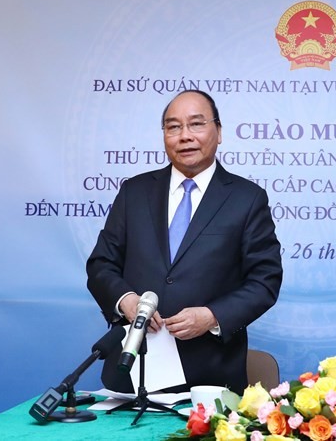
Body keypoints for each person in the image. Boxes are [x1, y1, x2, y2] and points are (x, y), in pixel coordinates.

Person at [86, 89, 283, 394]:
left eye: (196, 124)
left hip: (209, 375)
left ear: (218, 132)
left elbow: (264, 281)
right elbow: (101, 265)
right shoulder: (134, 192)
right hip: (132, 367)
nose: (184, 136)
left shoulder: (246, 199)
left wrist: (212, 316)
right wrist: (126, 301)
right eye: (173, 126)